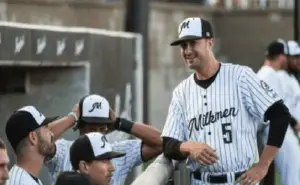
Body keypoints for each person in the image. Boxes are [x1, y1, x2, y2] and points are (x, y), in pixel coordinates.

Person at [161, 17, 291, 185]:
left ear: (210, 42)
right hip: (201, 181)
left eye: (193, 43)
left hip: (240, 180)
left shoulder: (240, 77)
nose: (187, 50)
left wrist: (263, 165)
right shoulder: (181, 92)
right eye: (183, 45)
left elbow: (280, 115)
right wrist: (188, 147)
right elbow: (168, 143)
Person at [46, 94, 162, 185]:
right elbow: (39, 139)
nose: (97, 134)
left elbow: (161, 143)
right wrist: (73, 117)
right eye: (91, 129)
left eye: (102, 129)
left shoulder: (117, 151)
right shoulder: (63, 150)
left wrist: (120, 122)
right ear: (79, 127)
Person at [257, 39, 300, 185]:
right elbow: (276, 106)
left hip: (274, 128)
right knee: (292, 172)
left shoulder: (268, 74)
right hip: (273, 128)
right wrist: (294, 123)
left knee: (291, 171)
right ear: (281, 56)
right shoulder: (268, 75)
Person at [5, 105, 79, 185]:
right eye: (46, 128)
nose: (52, 134)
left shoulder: (26, 179)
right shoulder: (21, 182)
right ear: (33, 138)